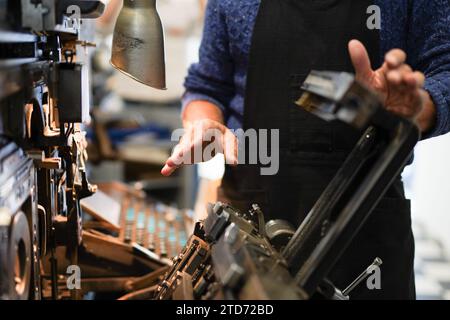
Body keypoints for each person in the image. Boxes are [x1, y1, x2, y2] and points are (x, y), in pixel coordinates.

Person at [161, 0, 450, 299]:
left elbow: (446, 70)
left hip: (365, 235)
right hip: (246, 227)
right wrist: (204, 121)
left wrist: (418, 108)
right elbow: (206, 85)